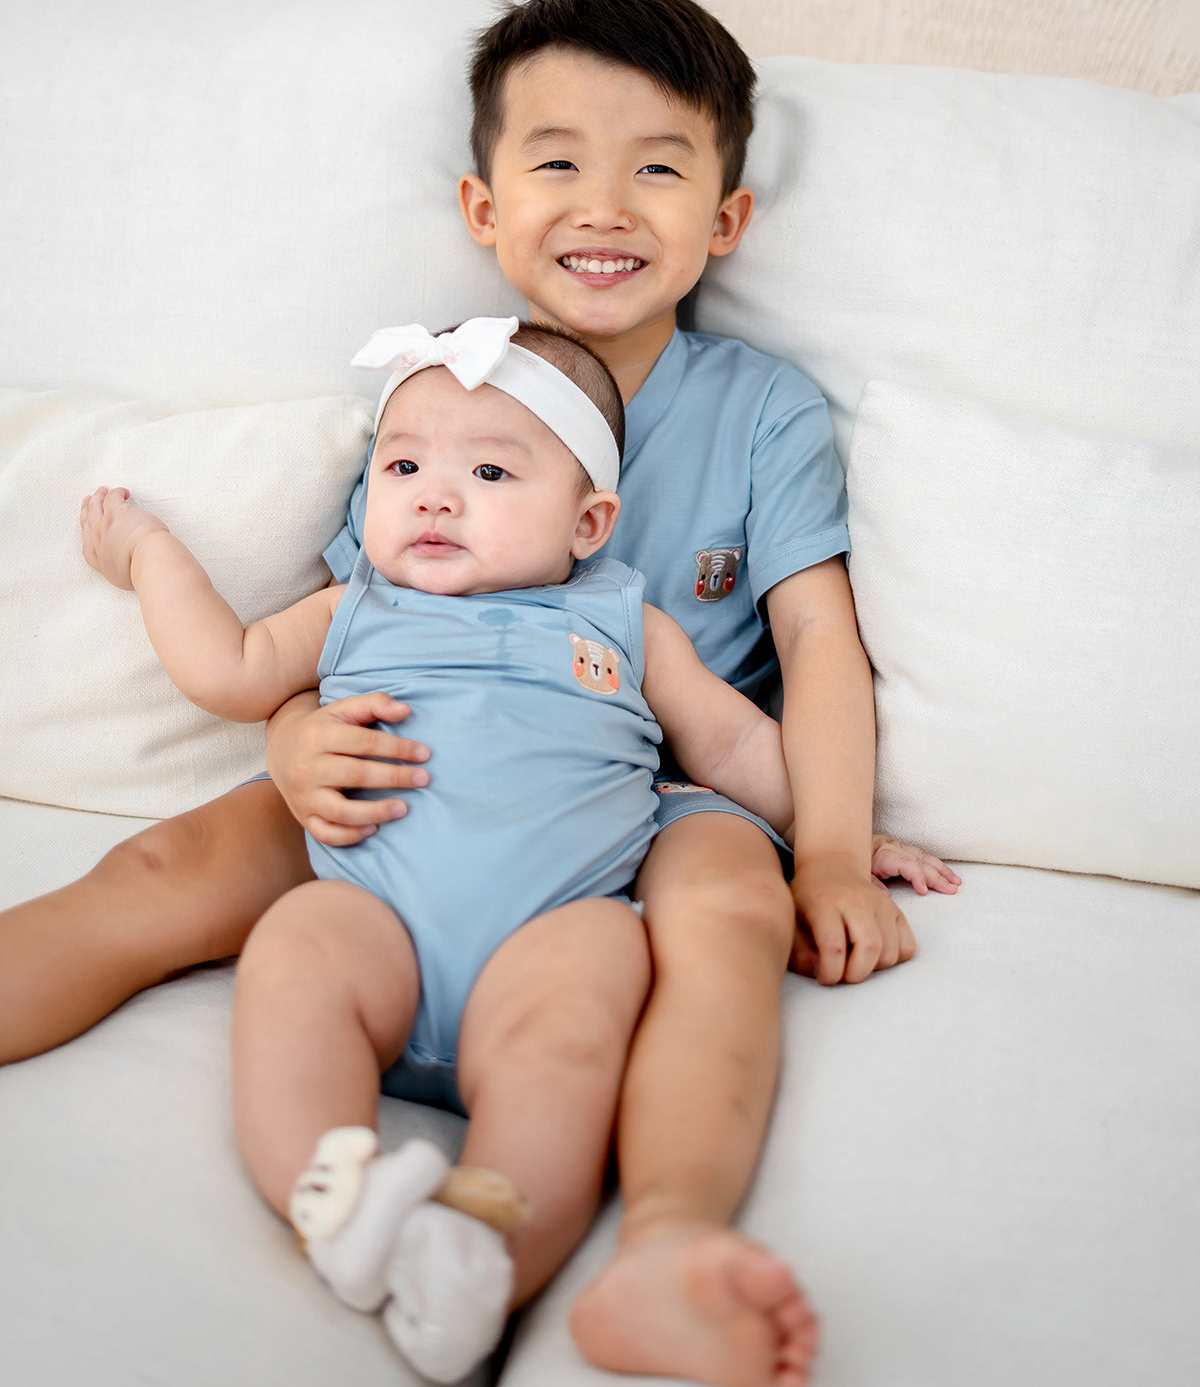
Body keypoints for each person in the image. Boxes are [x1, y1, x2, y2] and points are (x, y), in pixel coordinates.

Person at [0, 0, 959, 1386]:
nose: (605, 204)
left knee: (725, 912)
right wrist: (292, 741)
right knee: (172, 863)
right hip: (409, 755)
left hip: (656, 779)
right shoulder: (439, 394)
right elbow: (343, 626)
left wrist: (827, 848)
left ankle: (666, 1247)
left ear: (727, 221)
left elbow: (820, 643)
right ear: (484, 208)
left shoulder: (760, 410)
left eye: (658, 168)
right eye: (557, 161)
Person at [79, 316, 815, 1382]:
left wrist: (848, 826)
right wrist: (151, 555)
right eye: (406, 464)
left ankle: (482, 1256)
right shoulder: (352, 609)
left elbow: (739, 741)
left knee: (592, 986)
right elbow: (229, 667)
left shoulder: (623, 622)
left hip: (547, 938)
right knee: (298, 946)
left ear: (588, 520)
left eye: (487, 471)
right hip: (372, 922)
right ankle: (337, 1203)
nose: (433, 493)